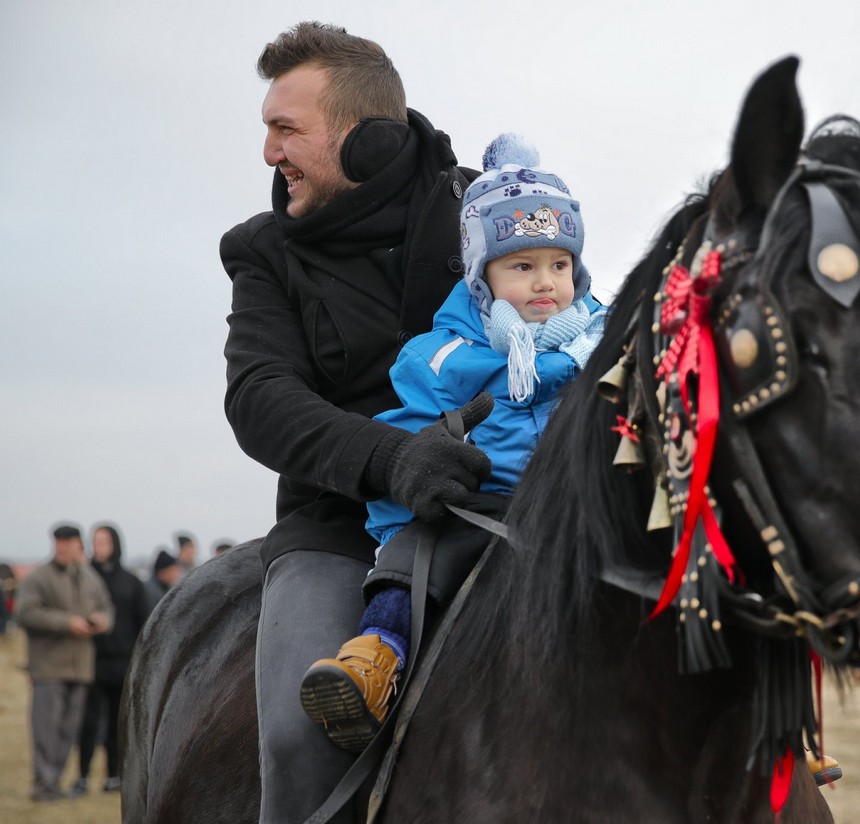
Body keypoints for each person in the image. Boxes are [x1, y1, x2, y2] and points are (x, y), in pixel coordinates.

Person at [221, 22, 488, 823]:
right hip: (339, 528)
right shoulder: (261, 251)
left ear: (368, 141)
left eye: (285, 129)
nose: (270, 153)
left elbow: (572, 326)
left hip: (502, 502)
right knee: (304, 738)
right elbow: (260, 397)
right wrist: (391, 458)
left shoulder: (491, 210)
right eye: (268, 130)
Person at [299, 134, 605, 750]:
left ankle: (749, 717)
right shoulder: (441, 356)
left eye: (559, 264)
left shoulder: (607, 343)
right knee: (414, 559)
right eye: (522, 266)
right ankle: (376, 657)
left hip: (586, 508)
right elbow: (410, 431)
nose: (546, 282)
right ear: (480, 277)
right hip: (477, 508)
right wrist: (425, 462)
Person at [14, 524, 114, 802]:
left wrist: (101, 621)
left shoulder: (88, 577)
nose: (63, 547)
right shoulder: (39, 578)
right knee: (46, 728)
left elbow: (107, 608)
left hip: (81, 667)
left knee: (68, 731)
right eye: (59, 542)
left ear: (77, 544)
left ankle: (54, 782)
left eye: (68, 542)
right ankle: (43, 784)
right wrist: (67, 623)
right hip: (48, 667)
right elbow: (26, 613)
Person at [69, 523, 148, 796]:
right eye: (95, 541)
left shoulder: (131, 581)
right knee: (88, 722)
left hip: (122, 661)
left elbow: (143, 622)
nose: (98, 546)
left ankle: (114, 775)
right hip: (90, 659)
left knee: (118, 722)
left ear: (115, 543)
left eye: (103, 541)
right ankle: (81, 776)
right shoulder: (83, 578)